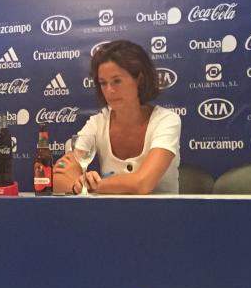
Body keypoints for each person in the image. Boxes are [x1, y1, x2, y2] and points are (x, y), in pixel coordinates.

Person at [54, 40, 181, 194]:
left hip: (162, 215)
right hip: (109, 215)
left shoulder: (166, 121)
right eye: (103, 83)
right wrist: (76, 185)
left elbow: (142, 183)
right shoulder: (97, 123)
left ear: (139, 80)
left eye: (117, 81)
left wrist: (91, 186)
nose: (109, 90)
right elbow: (58, 176)